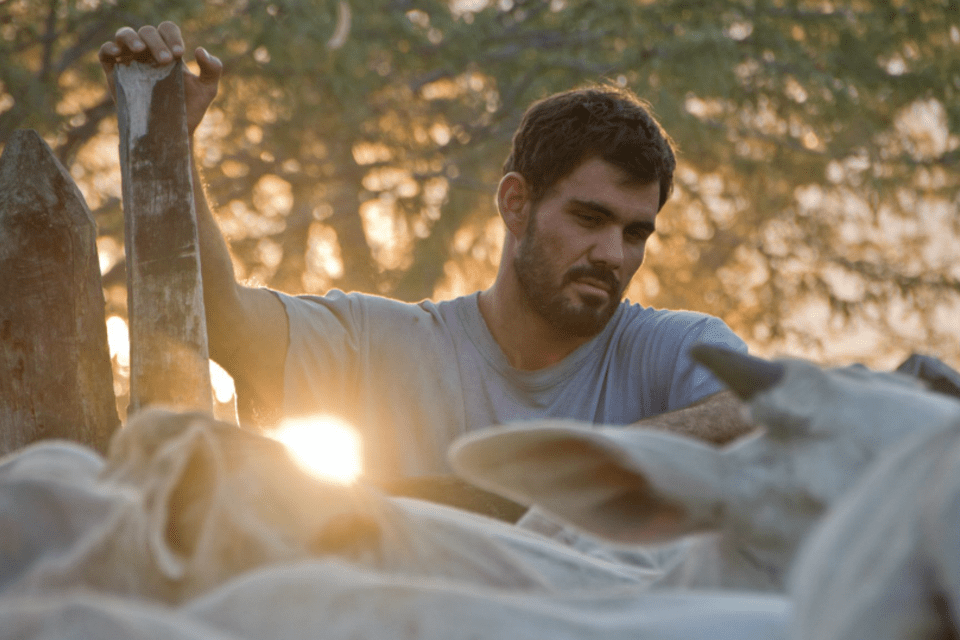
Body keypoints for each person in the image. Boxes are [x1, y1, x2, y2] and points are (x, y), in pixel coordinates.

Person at [99, 22, 753, 487]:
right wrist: (171, 146)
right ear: (515, 203)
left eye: (636, 233)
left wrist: (587, 471)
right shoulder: (386, 344)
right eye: (589, 218)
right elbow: (221, 319)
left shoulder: (674, 350)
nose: (612, 253)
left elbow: (761, 412)